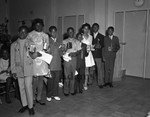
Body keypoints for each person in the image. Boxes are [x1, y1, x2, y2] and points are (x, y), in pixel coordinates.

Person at [11, 26, 35, 115]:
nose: (22, 34)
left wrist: (34, 53)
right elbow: (12, 58)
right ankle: (24, 105)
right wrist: (13, 71)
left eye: (24, 32)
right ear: (18, 32)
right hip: (18, 69)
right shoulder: (13, 45)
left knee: (28, 87)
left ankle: (30, 106)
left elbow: (33, 56)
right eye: (21, 32)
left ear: (27, 33)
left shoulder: (31, 43)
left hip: (28, 69)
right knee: (21, 88)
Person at [27, 18, 49, 105]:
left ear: (43, 26)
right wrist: (35, 54)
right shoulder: (30, 35)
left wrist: (45, 51)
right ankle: (32, 98)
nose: (38, 27)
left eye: (40, 25)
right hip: (34, 59)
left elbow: (46, 47)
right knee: (34, 80)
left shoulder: (45, 35)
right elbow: (30, 47)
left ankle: (39, 97)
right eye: (37, 25)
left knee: (41, 79)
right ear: (34, 26)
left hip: (42, 59)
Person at [62, 27, 81, 96]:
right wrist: (66, 49)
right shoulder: (64, 41)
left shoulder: (77, 41)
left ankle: (72, 90)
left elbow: (79, 51)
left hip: (74, 59)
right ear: (67, 33)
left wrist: (75, 53)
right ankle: (66, 91)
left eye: (72, 32)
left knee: (72, 75)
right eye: (69, 32)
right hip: (67, 59)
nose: (71, 33)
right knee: (67, 76)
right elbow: (62, 51)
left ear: (74, 32)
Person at [46, 26, 62, 102]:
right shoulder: (47, 41)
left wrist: (64, 50)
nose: (54, 33)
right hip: (51, 64)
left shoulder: (59, 42)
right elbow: (45, 52)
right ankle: (49, 95)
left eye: (55, 31)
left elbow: (61, 53)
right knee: (50, 81)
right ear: (49, 33)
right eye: (52, 32)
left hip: (58, 64)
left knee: (56, 81)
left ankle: (55, 94)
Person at [81, 23, 95, 90]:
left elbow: (90, 46)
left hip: (88, 55)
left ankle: (85, 83)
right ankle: (80, 83)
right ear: (82, 29)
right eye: (85, 28)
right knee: (81, 70)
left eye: (87, 29)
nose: (86, 30)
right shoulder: (80, 36)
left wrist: (91, 48)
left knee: (87, 70)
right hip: (81, 55)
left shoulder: (91, 37)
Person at [92, 23, 104, 89]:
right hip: (91, 55)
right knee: (91, 69)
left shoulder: (101, 36)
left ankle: (100, 83)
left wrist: (100, 46)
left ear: (98, 28)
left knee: (99, 70)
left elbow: (103, 45)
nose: (95, 28)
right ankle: (90, 81)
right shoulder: (90, 36)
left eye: (96, 27)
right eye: (94, 27)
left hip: (98, 55)